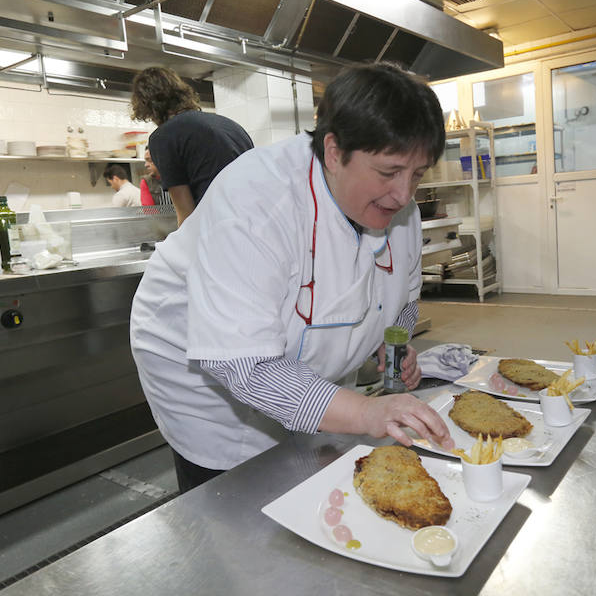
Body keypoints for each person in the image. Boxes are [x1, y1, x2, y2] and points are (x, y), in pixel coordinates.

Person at [130, 62, 452, 493]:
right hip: (205, 374)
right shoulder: (257, 200)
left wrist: (393, 342)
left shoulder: (400, 210)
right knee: (242, 493)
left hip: (297, 355)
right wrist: (363, 412)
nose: (404, 194)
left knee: (315, 475)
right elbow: (244, 362)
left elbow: (402, 297)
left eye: (418, 174)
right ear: (335, 152)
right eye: (390, 172)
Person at [130, 66, 253, 225]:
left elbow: (186, 215)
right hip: (256, 226)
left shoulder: (163, 137)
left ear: (147, 106)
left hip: (219, 232)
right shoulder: (230, 125)